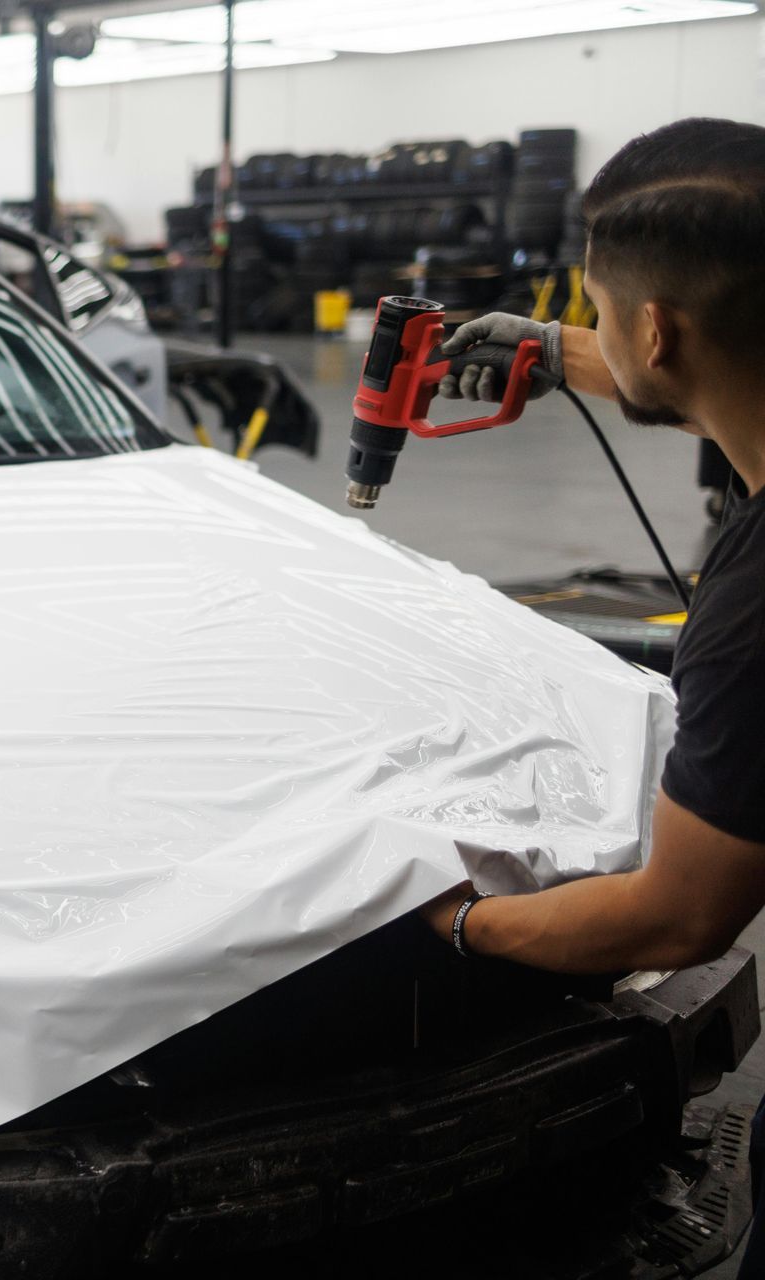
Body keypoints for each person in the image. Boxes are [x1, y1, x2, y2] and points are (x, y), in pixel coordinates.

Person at [415, 116, 765, 1272]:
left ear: (658, 327)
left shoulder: (752, 614)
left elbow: (679, 914)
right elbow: (685, 357)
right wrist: (559, 345)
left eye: (607, 310)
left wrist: (465, 921)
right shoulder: (700, 336)